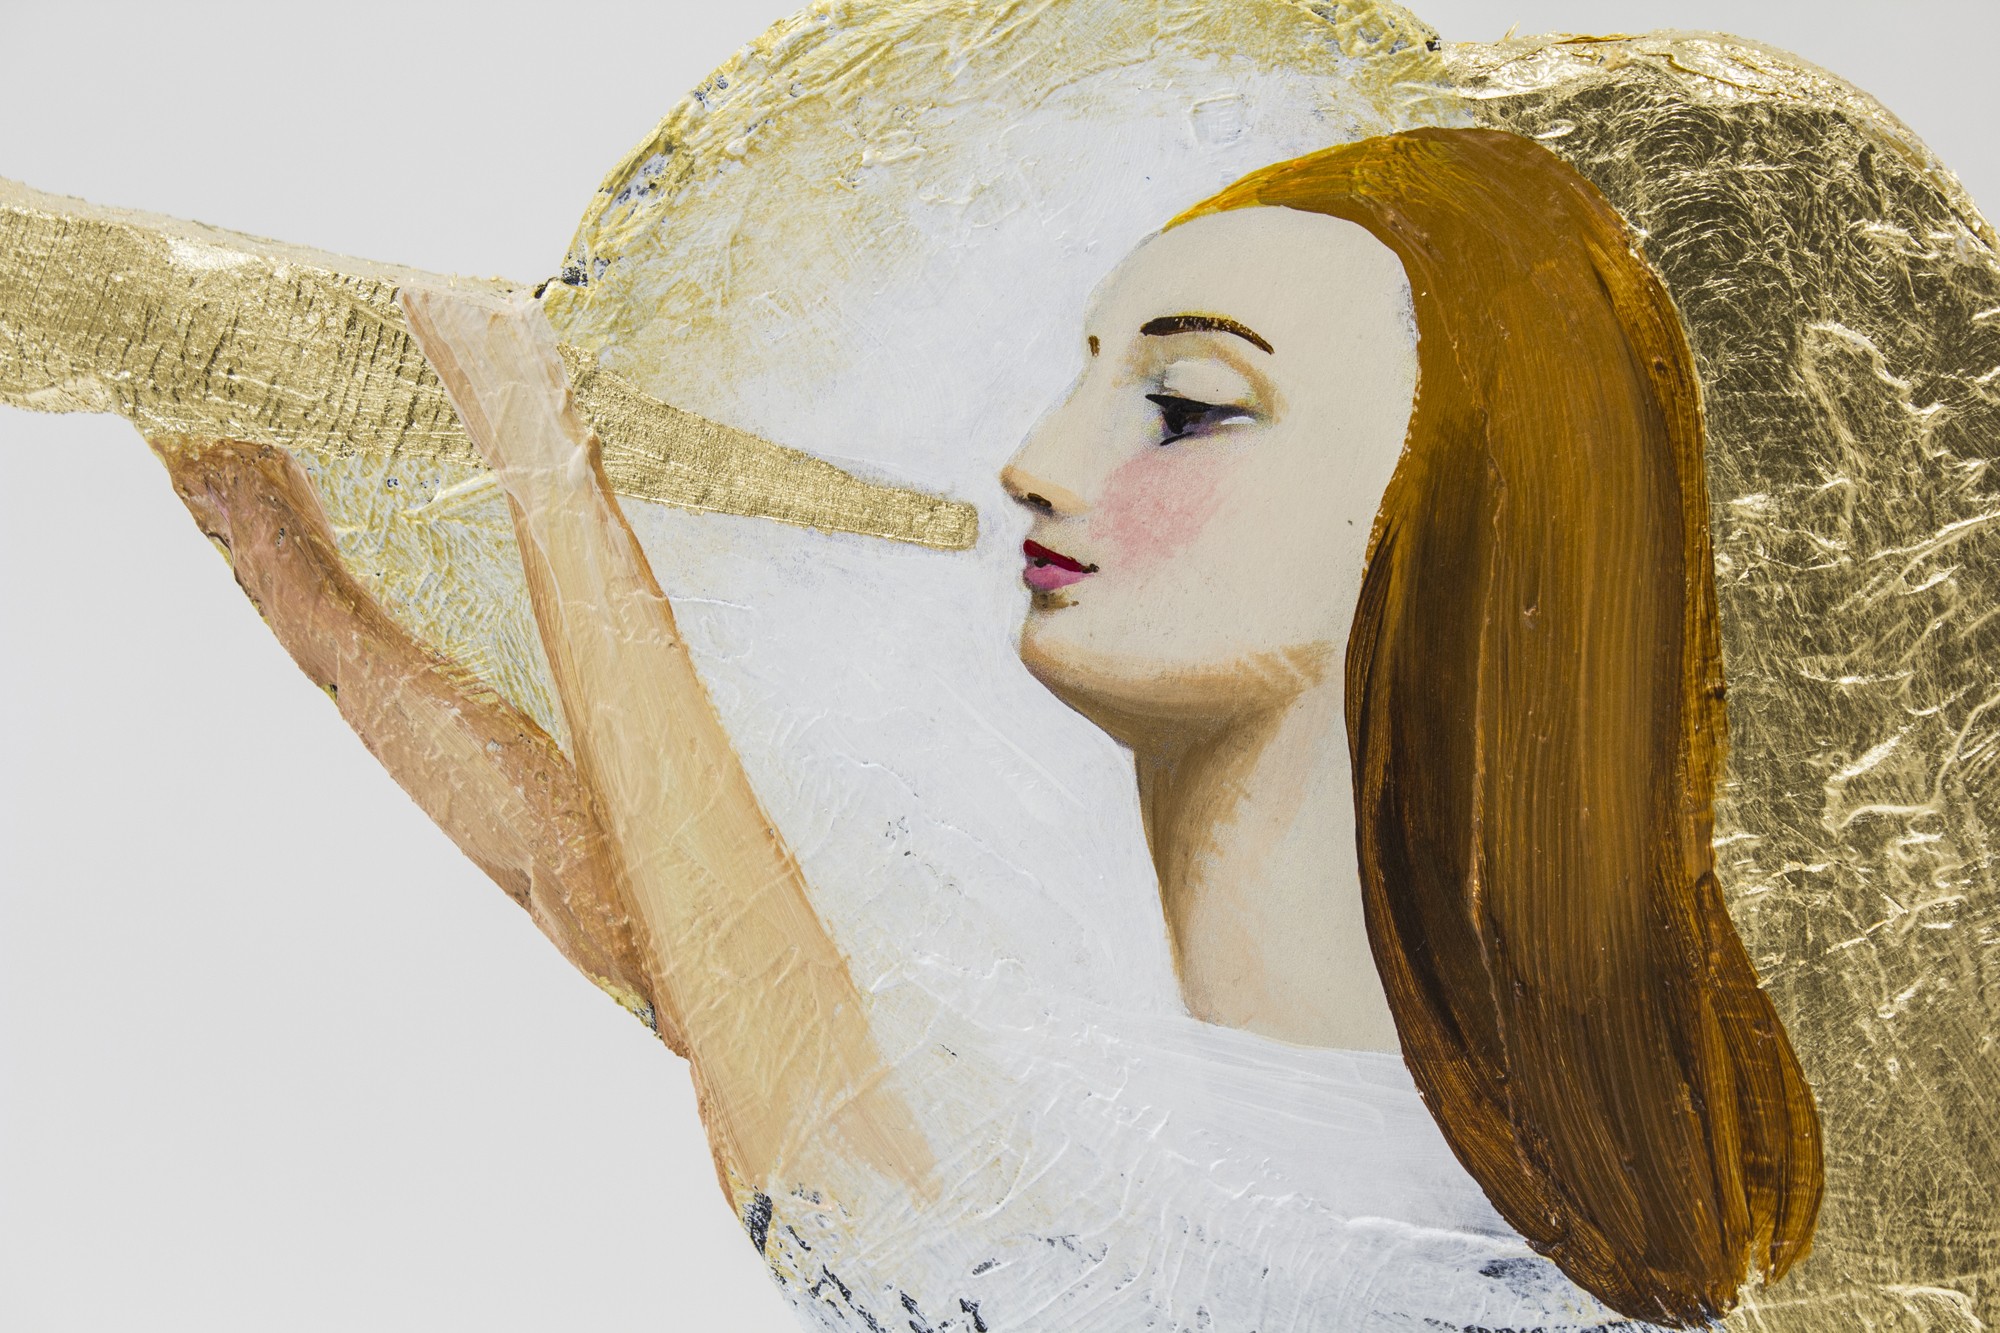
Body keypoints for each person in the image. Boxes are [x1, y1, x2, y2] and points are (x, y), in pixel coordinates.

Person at [397, 127, 1820, 1332]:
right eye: (1086, 374)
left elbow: (845, 1151)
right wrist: (296, 551)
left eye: (1185, 409)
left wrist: (545, 461)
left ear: (1457, 523)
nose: (1037, 463)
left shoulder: (1402, 1224)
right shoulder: (1208, 1086)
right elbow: (664, 934)